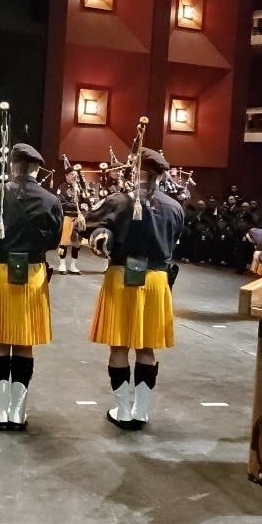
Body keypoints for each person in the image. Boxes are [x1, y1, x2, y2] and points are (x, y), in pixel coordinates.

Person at [0, 143, 62, 431]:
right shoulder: (51, 199)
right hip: (32, 274)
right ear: (36, 168)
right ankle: (17, 412)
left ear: (12, 166)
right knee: (24, 342)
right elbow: (55, 242)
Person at [87, 148, 184, 430]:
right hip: (156, 280)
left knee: (119, 346)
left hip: (122, 276)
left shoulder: (118, 201)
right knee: (146, 348)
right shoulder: (175, 207)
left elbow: (91, 226)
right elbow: (175, 240)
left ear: (134, 170)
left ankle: (123, 410)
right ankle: (141, 412)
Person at [55, 166, 83, 274]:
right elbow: (60, 203)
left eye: (75, 174)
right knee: (64, 242)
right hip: (67, 217)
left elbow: (84, 201)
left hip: (77, 218)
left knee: (77, 243)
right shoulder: (61, 188)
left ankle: (73, 265)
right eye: (72, 174)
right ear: (66, 176)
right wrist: (73, 205)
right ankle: (62, 264)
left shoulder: (79, 188)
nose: (74, 176)